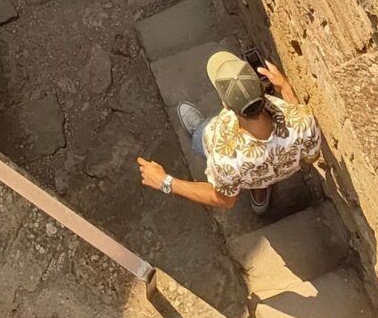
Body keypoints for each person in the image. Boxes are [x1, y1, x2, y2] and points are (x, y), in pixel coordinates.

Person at [134, 52, 322, 218]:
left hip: (238, 167)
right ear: (262, 87)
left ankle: (198, 129)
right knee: (260, 171)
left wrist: (165, 182)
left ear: (225, 105)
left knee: (202, 134)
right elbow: (311, 157)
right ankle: (260, 193)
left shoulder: (225, 159)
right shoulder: (303, 122)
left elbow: (224, 200)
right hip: (276, 169)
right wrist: (286, 89)